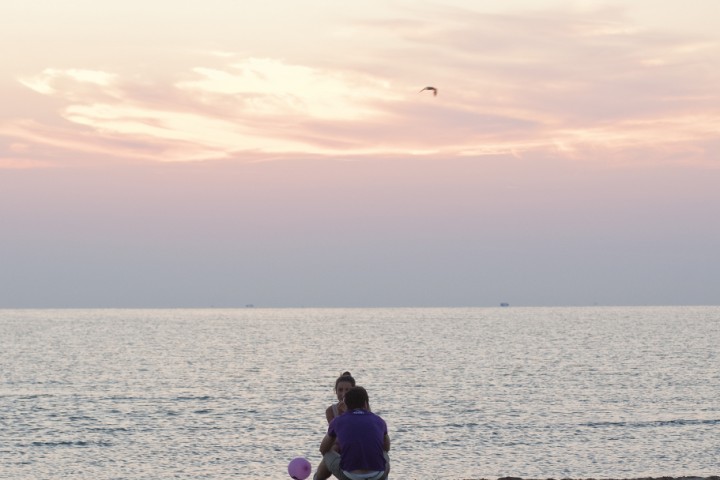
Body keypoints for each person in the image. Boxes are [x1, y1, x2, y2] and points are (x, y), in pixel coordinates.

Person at [315, 386, 390, 480]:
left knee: (328, 454)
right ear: (366, 404)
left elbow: (323, 449)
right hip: (377, 475)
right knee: (384, 454)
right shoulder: (379, 420)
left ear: (345, 404)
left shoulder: (338, 421)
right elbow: (386, 447)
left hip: (350, 476)